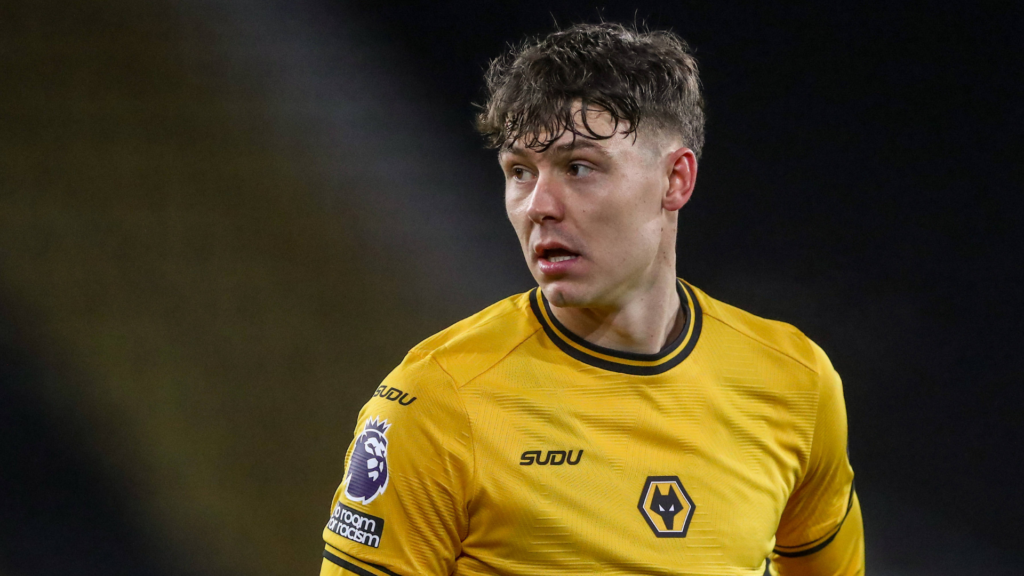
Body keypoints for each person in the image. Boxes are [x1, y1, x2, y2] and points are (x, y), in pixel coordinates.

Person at [319, 22, 864, 576]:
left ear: (675, 180)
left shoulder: (796, 382)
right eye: (520, 172)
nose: (539, 205)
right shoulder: (436, 403)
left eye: (578, 167)